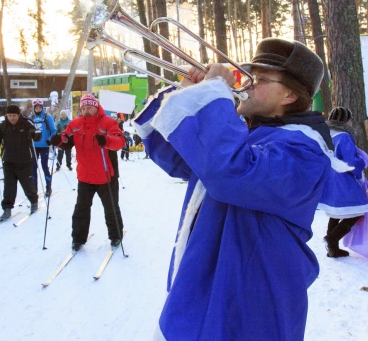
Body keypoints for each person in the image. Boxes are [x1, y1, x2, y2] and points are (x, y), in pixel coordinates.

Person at [133, 38, 350, 340]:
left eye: (259, 79)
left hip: (252, 298)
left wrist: (213, 98)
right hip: (214, 280)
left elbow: (230, 171)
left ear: (289, 94)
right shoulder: (251, 136)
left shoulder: (305, 151)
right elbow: (178, 160)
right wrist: (189, 93)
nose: (245, 83)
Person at [49, 93, 125, 251]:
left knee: (111, 208)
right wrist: (58, 141)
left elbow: (120, 142)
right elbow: (66, 139)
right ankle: (77, 239)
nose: (86, 111)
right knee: (81, 209)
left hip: (106, 175)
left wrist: (107, 141)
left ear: (96, 107)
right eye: (83, 108)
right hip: (85, 176)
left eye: (89, 107)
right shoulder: (75, 124)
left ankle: (116, 236)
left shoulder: (108, 123)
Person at [319, 107, 368, 258]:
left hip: (328, 178)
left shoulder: (325, 134)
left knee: (336, 212)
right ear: (345, 120)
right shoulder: (344, 136)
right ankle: (332, 239)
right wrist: (361, 163)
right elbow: (351, 161)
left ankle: (333, 247)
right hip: (343, 179)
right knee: (356, 212)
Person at [0, 105, 41, 220]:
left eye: (14, 116)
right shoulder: (3, 126)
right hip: (8, 161)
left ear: (18, 115)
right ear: (6, 115)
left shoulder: (26, 123)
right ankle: (7, 209)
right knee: (9, 187)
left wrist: (34, 134)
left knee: (27, 184)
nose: (12, 118)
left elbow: (37, 132)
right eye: (9, 115)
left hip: (24, 160)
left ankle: (34, 201)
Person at [29, 99, 56, 197]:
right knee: (33, 168)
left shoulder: (47, 117)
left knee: (44, 166)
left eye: (39, 107)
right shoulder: (30, 117)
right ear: (33, 108)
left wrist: (50, 139)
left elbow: (53, 130)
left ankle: (48, 187)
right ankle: (34, 189)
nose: (38, 109)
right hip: (34, 146)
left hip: (44, 145)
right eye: (36, 107)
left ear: (42, 107)